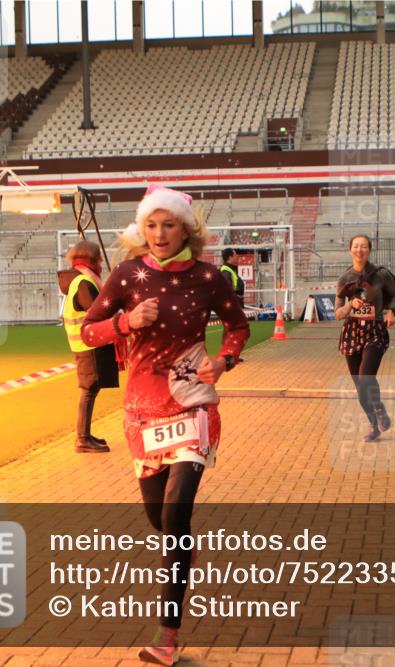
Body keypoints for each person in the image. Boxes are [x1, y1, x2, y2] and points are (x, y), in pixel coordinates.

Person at [80, 184, 249, 665]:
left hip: (192, 403)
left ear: (186, 229)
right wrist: (126, 322)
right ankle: (183, 553)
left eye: (169, 224)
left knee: (175, 516)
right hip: (141, 411)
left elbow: (238, 326)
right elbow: (87, 329)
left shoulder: (209, 277)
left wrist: (225, 360)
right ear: (142, 228)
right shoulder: (127, 274)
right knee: (160, 522)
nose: (159, 234)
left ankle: (167, 637)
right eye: (151, 225)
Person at [335, 234, 395, 442]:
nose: (359, 250)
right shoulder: (345, 278)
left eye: (364, 246)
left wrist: (391, 311)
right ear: (350, 250)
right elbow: (337, 313)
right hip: (352, 333)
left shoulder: (381, 274)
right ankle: (375, 426)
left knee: (365, 377)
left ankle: (380, 409)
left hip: (375, 331)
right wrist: (349, 306)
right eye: (356, 246)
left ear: (369, 250)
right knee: (360, 387)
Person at [57, 240, 120, 453]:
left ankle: (85, 435)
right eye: (99, 259)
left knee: (91, 389)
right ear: (92, 259)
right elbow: (95, 310)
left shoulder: (77, 280)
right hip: (88, 345)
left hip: (84, 344)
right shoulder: (84, 282)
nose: (101, 264)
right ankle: (82, 438)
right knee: (89, 390)